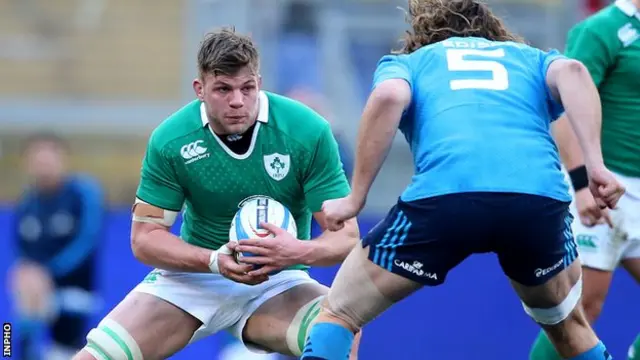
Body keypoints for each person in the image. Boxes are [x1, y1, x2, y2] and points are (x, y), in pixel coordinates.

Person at [299, 0, 626, 359]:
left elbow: (390, 95)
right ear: (494, 32)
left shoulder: (410, 62)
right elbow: (575, 72)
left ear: (420, 37)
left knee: (338, 312)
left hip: (446, 199)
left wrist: (355, 198)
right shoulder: (528, 58)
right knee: (568, 329)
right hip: (535, 202)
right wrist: (595, 166)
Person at [71, 28, 361, 360]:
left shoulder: (307, 131)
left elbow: (347, 236)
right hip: (194, 278)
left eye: (247, 88)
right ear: (200, 89)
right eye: (223, 89)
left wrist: (295, 250)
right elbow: (145, 238)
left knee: (339, 326)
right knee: (93, 357)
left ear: (259, 83)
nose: (237, 100)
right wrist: (212, 261)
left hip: (278, 280)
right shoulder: (171, 140)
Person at [529, 0, 640, 359]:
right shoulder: (601, 30)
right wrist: (580, 184)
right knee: (580, 311)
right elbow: (564, 110)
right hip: (605, 187)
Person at [9, 132, 105, 360]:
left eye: (48, 157)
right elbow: (22, 248)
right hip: (36, 292)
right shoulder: (27, 201)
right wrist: (24, 272)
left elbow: (87, 242)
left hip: (76, 291)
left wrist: (47, 272)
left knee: (66, 351)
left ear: (62, 159)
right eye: (36, 159)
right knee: (11, 333)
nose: (43, 164)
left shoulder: (83, 192)